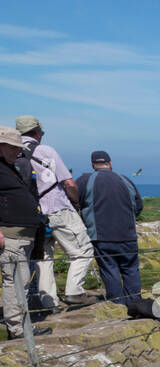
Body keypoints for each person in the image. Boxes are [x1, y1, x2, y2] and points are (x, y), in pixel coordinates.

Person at [16, 116, 96, 310]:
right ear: (37, 132)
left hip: (32, 214)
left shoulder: (13, 153)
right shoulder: (45, 151)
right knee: (82, 250)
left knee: (43, 257)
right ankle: (74, 292)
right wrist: (75, 201)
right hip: (56, 208)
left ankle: (48, 302)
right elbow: (69, 183)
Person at [0, 125, 51, 337]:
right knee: (16, 281)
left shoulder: (7, 167)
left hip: (23, 237)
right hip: (10, 237)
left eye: (17, 147)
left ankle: (20, 325)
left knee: (21, 281)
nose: (16, 151)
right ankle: (19, 329)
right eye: (11, 147)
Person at [74, 150, 143, 305]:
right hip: (127, 234)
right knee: (131, 269)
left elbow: (73, 202)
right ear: (110, 163)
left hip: (101, 235)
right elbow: (138, 206)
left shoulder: (85, 180)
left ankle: (117, 304)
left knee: (109, 269)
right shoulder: (125, 180)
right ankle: (135, 304)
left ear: (93, 164)